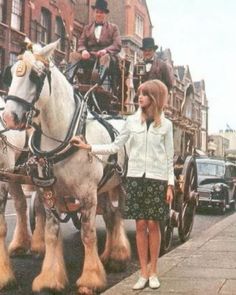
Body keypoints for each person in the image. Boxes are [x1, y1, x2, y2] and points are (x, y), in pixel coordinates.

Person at [70, 79, 174, 290]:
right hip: (135, 178)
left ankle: (154, 271)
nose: (139, 97)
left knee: (153, 225)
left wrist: (170, 184)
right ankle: (143, 273)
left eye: (144, 94)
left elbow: (169, 158)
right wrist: (89, 146)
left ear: (154, 98)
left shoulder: (166, 125)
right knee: (140, 225)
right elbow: (115, 146)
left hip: (157, 179)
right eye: (139, 93)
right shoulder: (131, 122)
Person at [68, 0, 122, 84]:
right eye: (97, 12)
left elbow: (117, 44)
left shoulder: (113, 28)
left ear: (105, 14)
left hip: (107, 57)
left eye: (101, 12)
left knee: (105, 57)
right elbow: (81, 42)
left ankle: (98, 82)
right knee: (73, 55)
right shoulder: (87, 28)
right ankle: (69, 78)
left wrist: (105, 50)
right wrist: (83, 51)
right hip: (90, 56)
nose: (99, 14)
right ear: (94, 13)